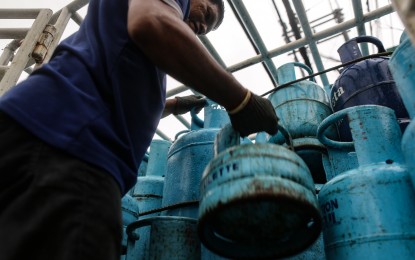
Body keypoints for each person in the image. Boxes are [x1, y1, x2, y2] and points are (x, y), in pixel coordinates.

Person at [0, 0, 278, 259]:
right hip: (73, 150)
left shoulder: (123, 28)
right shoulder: (157, 14)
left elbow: (113, 75)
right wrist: (241, 100)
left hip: (37, 131)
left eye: (209, 29)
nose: (204, 28)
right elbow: (151, 23)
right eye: (207, 14)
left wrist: (172, 104)